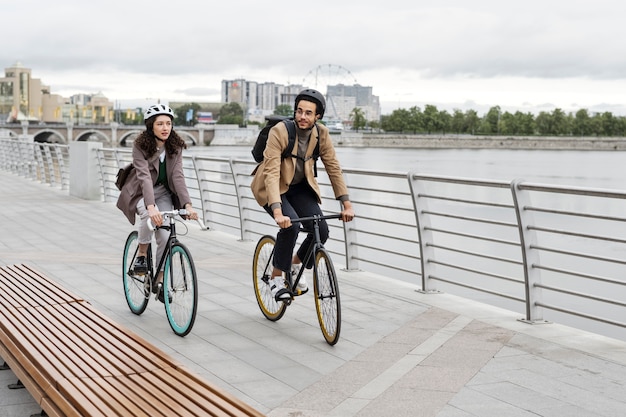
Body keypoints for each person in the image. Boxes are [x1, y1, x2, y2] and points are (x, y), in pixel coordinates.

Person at [251, 89, 355, 301]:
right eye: (299, 111)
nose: (302, 116)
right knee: (292, 226)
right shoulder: (279, 132)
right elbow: (271, 172)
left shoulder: (322, 134)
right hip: (272, 187)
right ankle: (276, 277)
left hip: (298, 186)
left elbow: (333, 168)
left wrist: (346, 203)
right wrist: (278, 211)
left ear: (318, 116)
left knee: (321, 230)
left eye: (308, 113)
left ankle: (295, 264)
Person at [117, 103, 198, 301]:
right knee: (148, 216)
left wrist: (188, 204)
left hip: (163, 193)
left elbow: (178, 176)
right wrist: (151, 207)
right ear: (151, 126)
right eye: (160, 123)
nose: (165, 128)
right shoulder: (140, 146)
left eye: (168, 123)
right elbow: (144, 177)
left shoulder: (175, 146)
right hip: (139, 191)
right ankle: (142, 255)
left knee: (164, 233)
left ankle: (159, 281)